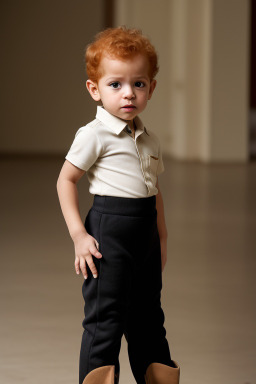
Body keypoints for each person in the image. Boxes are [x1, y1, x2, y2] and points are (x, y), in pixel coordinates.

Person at [56, 26, 180, 384]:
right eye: (115, 84)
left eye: (138, 84)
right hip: (108, 237)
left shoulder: (150, 139)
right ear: (94, 89)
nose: (128, 93)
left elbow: (154, 190)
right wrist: (79, 235)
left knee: (148, 319)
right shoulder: (93, 135)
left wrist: (163, 239)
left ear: (151, 88)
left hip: (146, 239)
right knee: (105, 320)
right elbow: (66, 180)